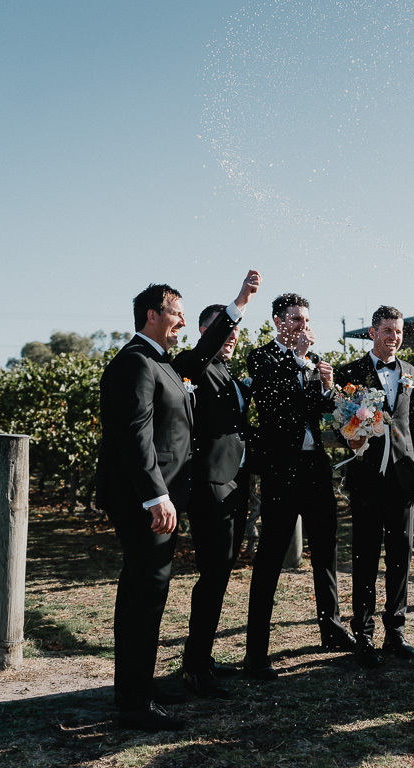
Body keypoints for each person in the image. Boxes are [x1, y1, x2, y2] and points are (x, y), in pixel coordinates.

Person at [97, 280, 250, 731]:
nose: (183, 320)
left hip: (158, 497)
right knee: (144, 597)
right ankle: (134, 703)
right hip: (144, 501)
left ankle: (138, 686)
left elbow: (201, 353)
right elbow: (136, 436)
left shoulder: (161, 361)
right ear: (152, 315)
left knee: (147, 593)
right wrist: (156, 496)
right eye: (177, 313)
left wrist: (239, 305)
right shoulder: (135, 363)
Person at [242, 293, 354, 680]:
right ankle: (256, 653)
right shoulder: (262, 358)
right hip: (281, 470)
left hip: (315, 468)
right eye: (295, 319)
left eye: (306, 320)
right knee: (271, 557)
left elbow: (317, 409)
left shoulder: (312, 361)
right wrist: (300, 359)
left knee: (326, 548)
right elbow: (274, 404)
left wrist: (327, 385)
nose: (302, 326)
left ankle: (332, 629)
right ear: (277, 321)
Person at [171, 272, 260, 699]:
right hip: (210, 486)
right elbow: (204, 351)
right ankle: (194, 667)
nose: (231, 338)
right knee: (212, 577)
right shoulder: (195, 366)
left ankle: (202, 658)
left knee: (221, 575)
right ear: (206, 333)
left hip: (236, 485)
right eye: (224, 331)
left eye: (235, 333)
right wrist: (238, 304)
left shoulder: (230, 374)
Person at [335, 306, 414, 667]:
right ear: (373, 333)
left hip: (403, 477)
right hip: (367, 478)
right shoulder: (350, 373)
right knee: (364, 556)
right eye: (388, 330)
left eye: (399, 331)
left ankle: (396, 631)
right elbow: (341, 424)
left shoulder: (410, 372)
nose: (394, 337)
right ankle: (363, 635)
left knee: (400, 556)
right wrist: (353, 437)